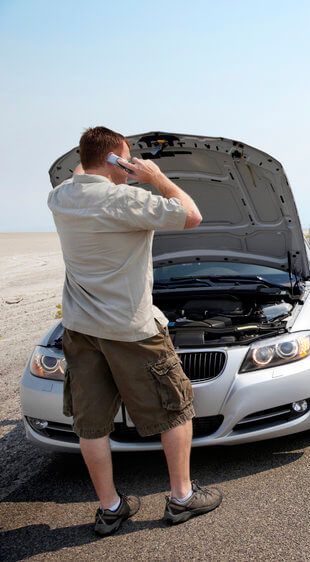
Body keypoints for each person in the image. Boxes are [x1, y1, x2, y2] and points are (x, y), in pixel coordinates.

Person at [47, 126, 222, 536]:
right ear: (115, 161)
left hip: (80, 330)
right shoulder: (125, 199)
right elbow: (192, 215)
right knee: (174, 407)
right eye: (123, 160)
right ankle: (181, 498)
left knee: (91, 423)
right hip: (132, 330)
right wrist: (154, 177)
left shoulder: (60, 198)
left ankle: (110, 508)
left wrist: (109, 161)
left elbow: (82, 170)